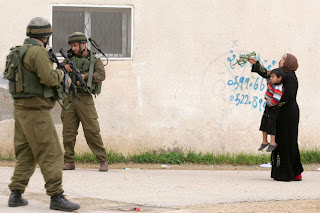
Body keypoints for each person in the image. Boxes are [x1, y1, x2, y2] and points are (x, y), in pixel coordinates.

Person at [5, 17, 80, 211]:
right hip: (36, 112)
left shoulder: (18, 51)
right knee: (52, 153)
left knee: (27, 154)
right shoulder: (38, 53)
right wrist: (62, 75)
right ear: (46, 36)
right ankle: (56, 196)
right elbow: (48, 78)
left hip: (21, 109)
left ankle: (16, 193)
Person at [249, 53, 303, 181]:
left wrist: (273, 103)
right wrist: (257, 65)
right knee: (282, 141)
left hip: (288, 114)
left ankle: (287, 173)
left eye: (283, 59)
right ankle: (292, 173)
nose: (280, 60)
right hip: (282, 112)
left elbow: (288, 96)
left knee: (286, 142)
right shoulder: (282, 74)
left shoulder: (290, 77)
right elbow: (269, 75)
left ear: (289, 62)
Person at [61, 32, 108, 172]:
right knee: (68, 132)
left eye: (75, 45)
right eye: (72, 46)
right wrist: (64, 69)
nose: (73, 48)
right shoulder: (68, 59)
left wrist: (84, 76)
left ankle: (102, 160)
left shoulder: (95, 60)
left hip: (85, 99)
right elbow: (58, 73)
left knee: (92, 131)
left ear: (83, 44)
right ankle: (69, 161)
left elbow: (101, 75)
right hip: (69, 97)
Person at [255, 68, 286, 152]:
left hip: (273, 108)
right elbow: (268, 80)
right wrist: (268, 74)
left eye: (273, 77)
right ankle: (264, 141)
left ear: (279, 78)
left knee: (271, 124)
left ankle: (272, 142)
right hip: (268, 107)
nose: (271, 78)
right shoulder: (272, 84)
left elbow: (276, 100)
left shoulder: (278, 88)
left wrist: (269, 102)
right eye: (271, 76)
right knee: (264, 123)